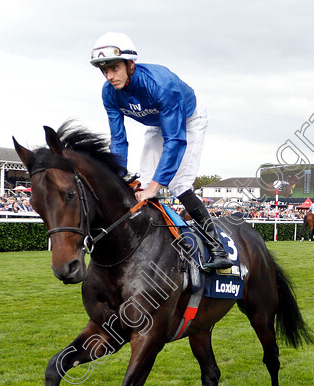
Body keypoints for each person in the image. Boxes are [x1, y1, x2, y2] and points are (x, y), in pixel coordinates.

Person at [91, 32, 231, 270]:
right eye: (104, 70)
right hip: (157, 124)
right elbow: (118, 139)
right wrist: (117, 174)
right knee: (143, 185)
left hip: (189, 120)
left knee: (179, 185)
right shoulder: (109, 92)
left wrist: (157, 186)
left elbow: (175, 140)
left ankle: (218, 248)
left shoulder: (161, 84)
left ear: (130, 64)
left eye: (114, 68)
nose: (109, 76)